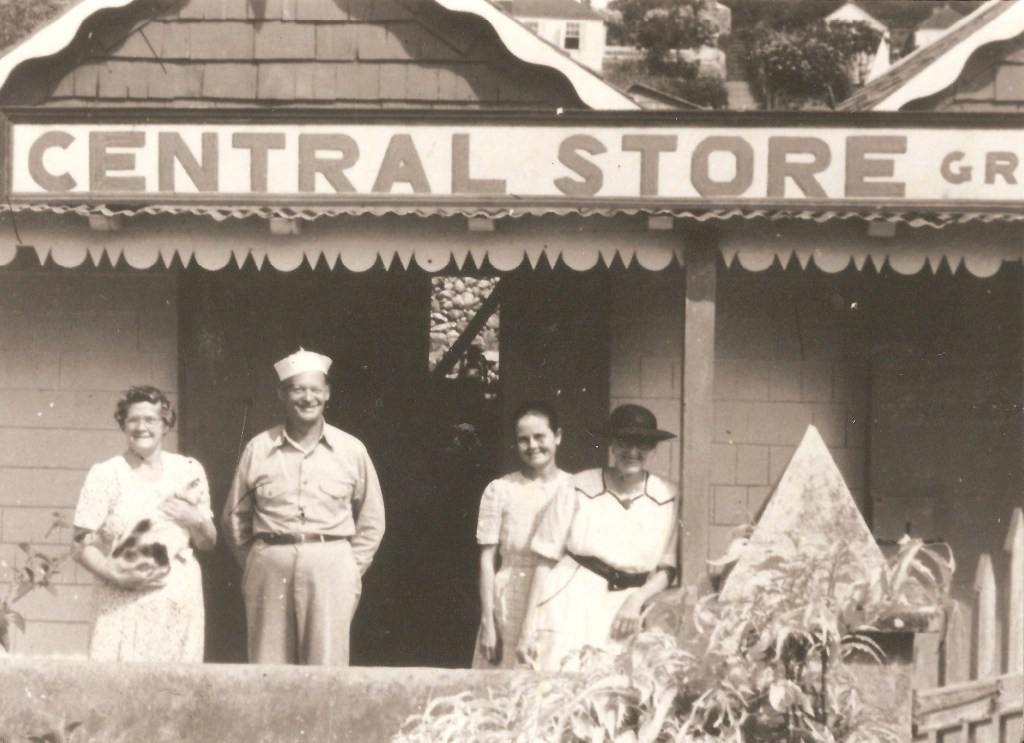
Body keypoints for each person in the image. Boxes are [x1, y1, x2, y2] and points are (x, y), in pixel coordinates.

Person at [222, 349, 385, 666]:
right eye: (297, 389)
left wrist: (350, 568)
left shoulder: (351, 450)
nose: (307, 397)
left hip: (331, 568)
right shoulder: (259, 448)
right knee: (268, 669)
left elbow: (372, 518)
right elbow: (234, 517)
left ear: (327, 393)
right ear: (281, 395)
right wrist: (258, 560)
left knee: (326, 668)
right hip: (269, 568)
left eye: (315, 389)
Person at [518, 404, 679, 671]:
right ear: (612, 445)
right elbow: (545, 560)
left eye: (643, 444)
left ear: (653, 448)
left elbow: (666, 568)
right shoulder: (579, 485)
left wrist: (636, 600)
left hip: (626, 610)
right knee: (558, 683)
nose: (632, 452)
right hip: (570, 600)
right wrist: (528, 624)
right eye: (624, 442)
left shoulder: (668, 495)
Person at [71, 386, 216, 662]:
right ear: (123, 424)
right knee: (116, 685)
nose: (141, 427)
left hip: (176, 599)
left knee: (173, 688)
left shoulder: (188, 470)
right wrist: (115, 574)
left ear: (165, 424)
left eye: (150, 420)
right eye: (133, 420)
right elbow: (79, 546)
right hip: (120, 598)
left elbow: (208, 542)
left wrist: (194, 518)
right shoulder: (106, 474)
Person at [473, 401, 572, 669]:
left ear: (558, 436)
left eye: (540, 436)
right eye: (523, 440)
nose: (533, 446)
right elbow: (487, 560)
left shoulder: (574, 488)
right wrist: (488, 622)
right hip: (509, 596)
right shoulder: (500, 489)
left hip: (557, 594)